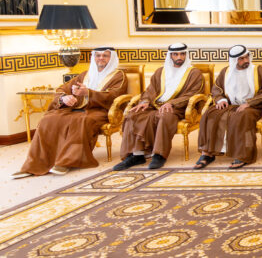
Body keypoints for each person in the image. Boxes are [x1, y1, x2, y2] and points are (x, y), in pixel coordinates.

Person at [13, 48, 128, 178]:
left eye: (105, 55)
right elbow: (62, 88)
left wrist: (88, 93)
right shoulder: (85, 74)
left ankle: (67, 162)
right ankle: (34, 164)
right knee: (48, 119)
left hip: (99, 110)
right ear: (94, 57)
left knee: (81, 121)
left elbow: (113, 95)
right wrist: (64, 98)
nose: (101, 58)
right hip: (75, 109)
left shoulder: (119, 76)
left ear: (111, 58)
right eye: (98, 55)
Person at [115, 43, 204, 170]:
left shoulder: (194, 73)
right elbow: (150, 89)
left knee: (164, 116)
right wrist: (145, 101)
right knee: (133, 114)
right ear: (170, 56)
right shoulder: (160, 72)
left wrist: (172, 103)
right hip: (155, 105)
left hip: (177, 108)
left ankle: (159, 155)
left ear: (186, 55)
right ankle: (136, 155)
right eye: (175, 54)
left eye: (182, 54)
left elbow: (193, 93)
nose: (179, 57)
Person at [194, 45, 262, 169]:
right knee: (210, 114)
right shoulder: (226, 72)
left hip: (254, 106)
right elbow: (216, 89)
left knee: (241, 116)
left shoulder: (257, 70)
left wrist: (249, 103)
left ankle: (243, 155)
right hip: (231, 105)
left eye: (247, 57)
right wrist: (221, 100)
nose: (246, 60)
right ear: (234, 60)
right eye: (241, 59)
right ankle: (208, 153)